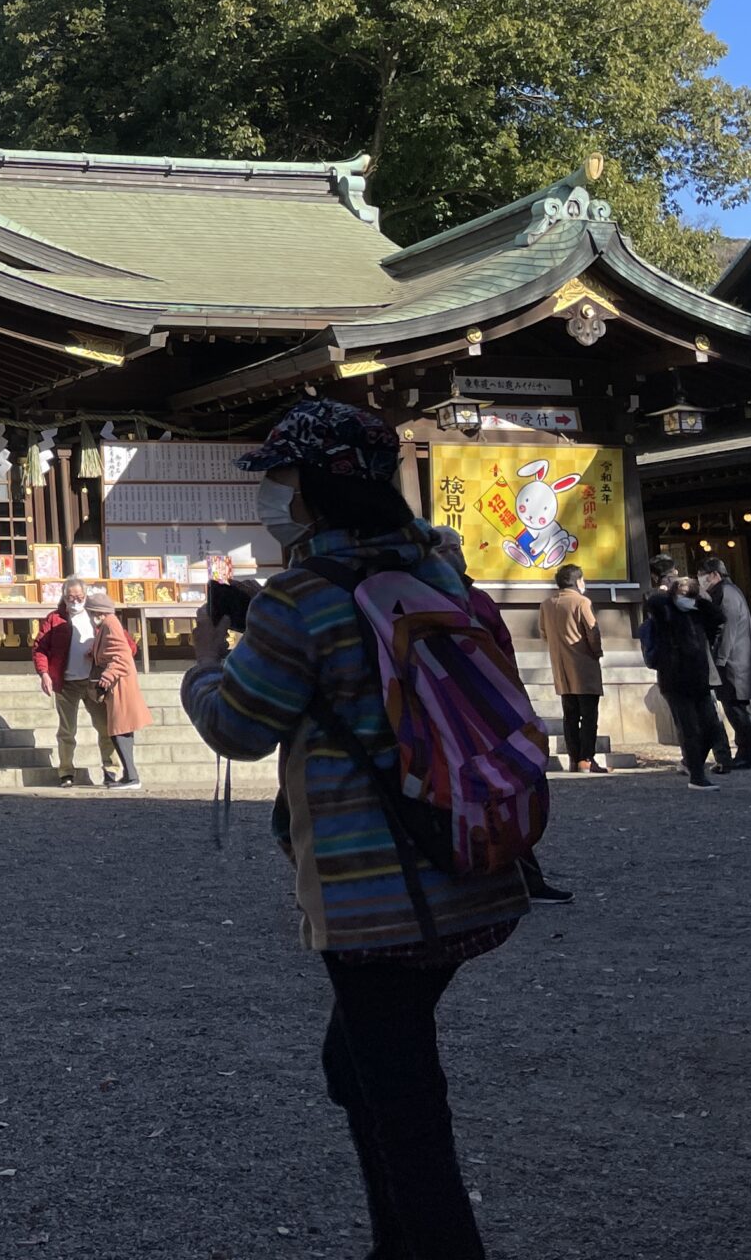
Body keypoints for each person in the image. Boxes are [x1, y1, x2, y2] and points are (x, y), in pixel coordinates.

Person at [185, 401, 526, 1260]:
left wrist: (202, 661)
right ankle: (395, 1241)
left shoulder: (299, 601)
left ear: (313, 489)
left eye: (280, 480)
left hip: (370, 884)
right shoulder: (441, 571)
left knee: (403, 1096)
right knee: (365, 1065)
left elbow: (239, 725)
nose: (272, 497)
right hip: (469, 852)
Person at [429, 526, 573, 903]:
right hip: (446, 711)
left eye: (458, 546)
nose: (456, 554)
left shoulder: (478, 599)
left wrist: (514, 700)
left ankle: (523, 876)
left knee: (507, 788)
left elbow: (504, 653)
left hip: (492, 708)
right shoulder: (422, 600)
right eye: (448, 548)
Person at [644, 554, 729, 790]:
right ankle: (697, 776)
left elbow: (718, 618)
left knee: (712, 727)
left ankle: (694, 765)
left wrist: (700, 599)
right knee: (690, 728)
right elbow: (653, 602)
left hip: (699, 678)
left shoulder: (696, 613)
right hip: (675, 679)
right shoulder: (666, 614)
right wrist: (672, 591)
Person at [34, 577, 118, 786]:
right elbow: (40, 648)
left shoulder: (96, 616)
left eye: (79, 597)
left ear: (85, 595)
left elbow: (119, 641)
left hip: (94, 681)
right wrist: (44, 673)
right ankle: (66, 772)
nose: (75, 601)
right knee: (67, 731)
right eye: (70, 597)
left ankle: (111, 770)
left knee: (105, 727)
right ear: (63, 597)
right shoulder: (54, 619)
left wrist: (101, 655)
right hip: (65, 683)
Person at [538, 563, 607, 774]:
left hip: (561, 667)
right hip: (583, 664)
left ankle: (573, 758)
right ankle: (587, 758)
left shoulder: (546, 604)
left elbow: (543, 633)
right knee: (588, 715)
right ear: (578, 581)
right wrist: (597, 651)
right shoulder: (581, 602)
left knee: (569, 716)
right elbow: (592, 632)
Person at [696, 555, 751, 770]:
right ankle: (747, 753)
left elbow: (727, 629)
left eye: (704, 576)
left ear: (715, 574)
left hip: (733, 662)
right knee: (737, 709)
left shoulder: (726, 593)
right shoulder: (728, 591)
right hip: (734, 660)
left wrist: (720, 660)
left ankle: (748, 755)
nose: (701, 580)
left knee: (738, 709)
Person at [81, 588, 149, 790]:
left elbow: (121, 655)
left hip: (121, 687)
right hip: (120, 686)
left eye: (92, 612)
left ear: (98, 612)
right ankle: (129, 774)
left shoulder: (110, 625)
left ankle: (132, 777)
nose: (92, 617)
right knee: (120, 730)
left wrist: (106, 676)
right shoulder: (108, 625)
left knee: (119, 731)